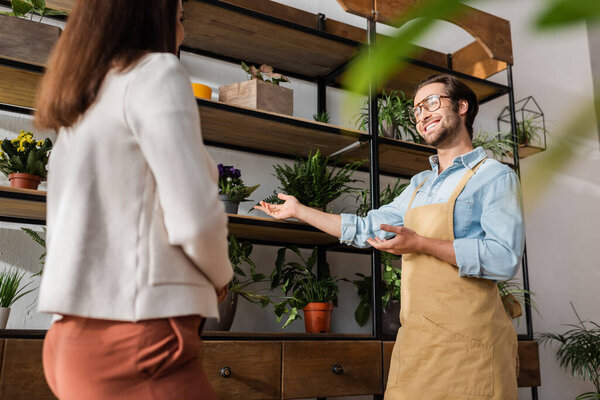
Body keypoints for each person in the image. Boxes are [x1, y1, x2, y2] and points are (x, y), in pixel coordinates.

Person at [255, 74, 525, 399]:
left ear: (462, 106)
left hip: (473, 345)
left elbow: (503, 258)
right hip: (417, 343)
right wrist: (300, 211)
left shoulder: (494, 176)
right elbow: (367, 228)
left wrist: (421, 244)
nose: (422, 114)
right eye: (416, 110)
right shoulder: (419, 185)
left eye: (432, 103)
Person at [34, 0, 233, 399]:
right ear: (147, 15)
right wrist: (222, 278)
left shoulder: (82, 98)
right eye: (179, 18)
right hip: (140, 340)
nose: (183, 32)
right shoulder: (155, 73)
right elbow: (194, 218)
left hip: (70, 341)